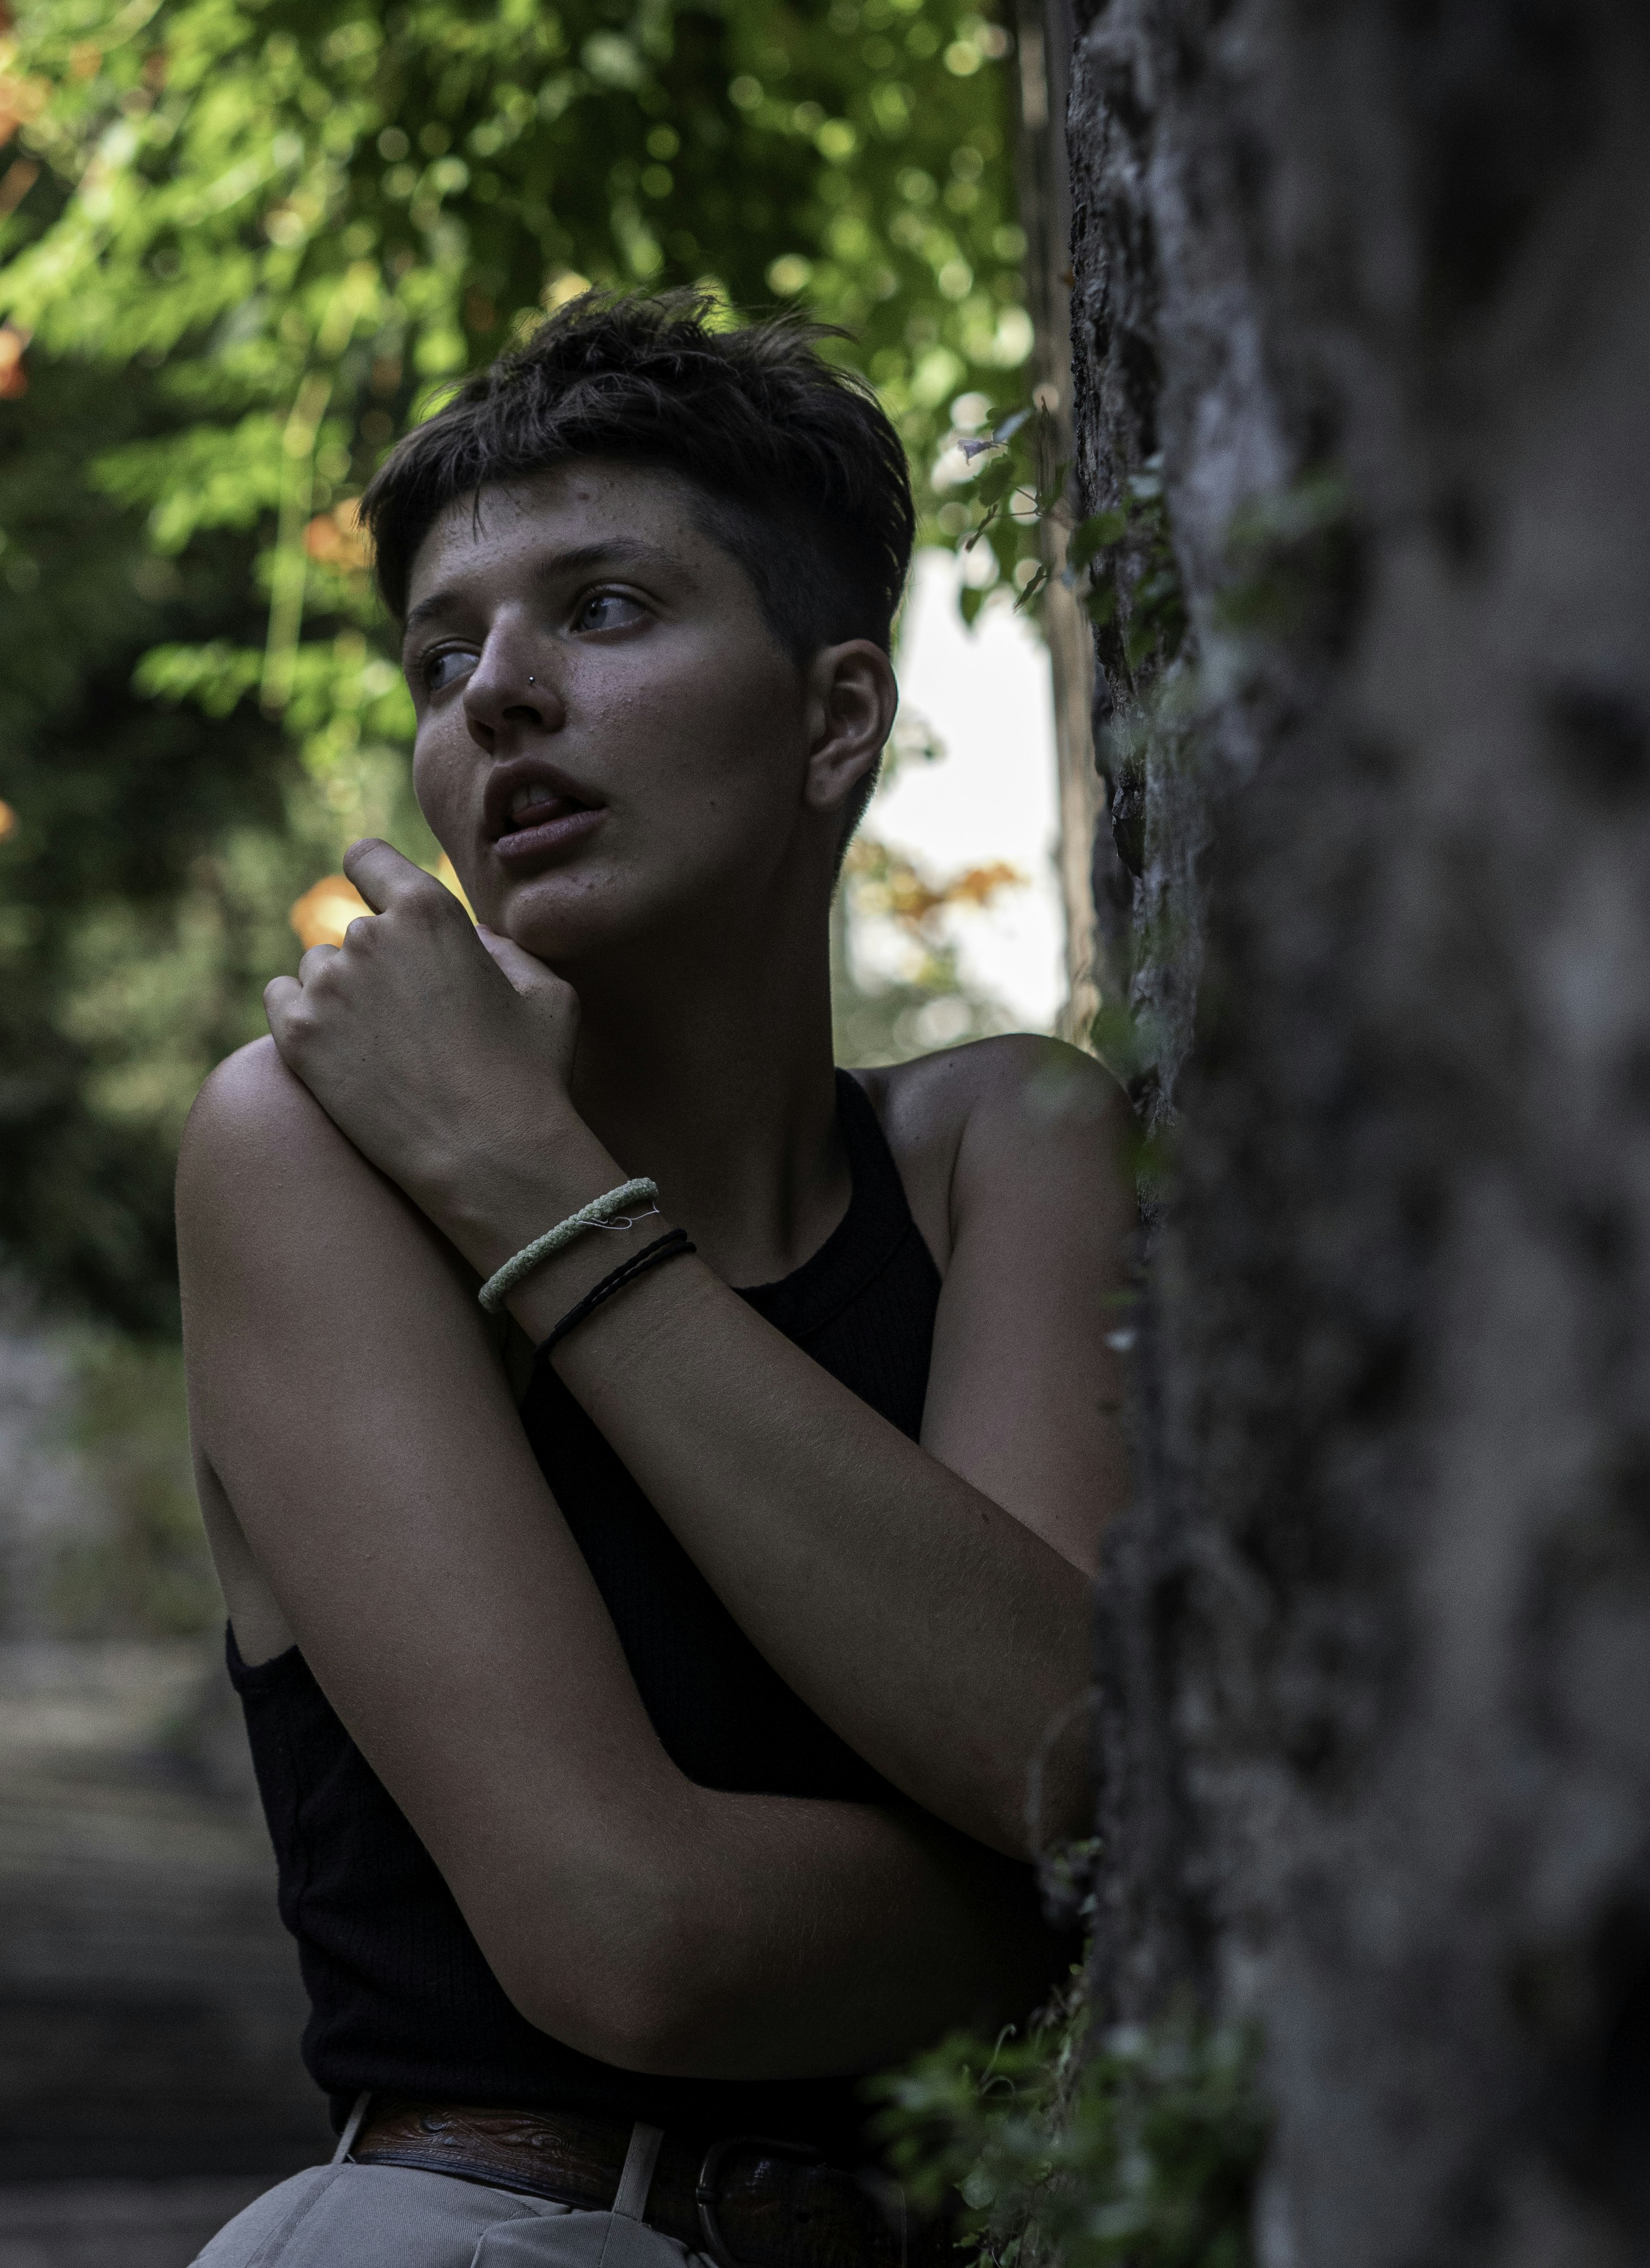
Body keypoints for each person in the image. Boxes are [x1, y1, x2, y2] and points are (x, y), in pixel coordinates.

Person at [177, 292, 1131, 2268]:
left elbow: (1065, 1745)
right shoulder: (309, 1152)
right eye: (445, 657)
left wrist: (532, 1185)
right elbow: (637, 1938)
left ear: (836, 715)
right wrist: (1114, 1904)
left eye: (602, 609)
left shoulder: (1004, 1149)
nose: (497, 694)